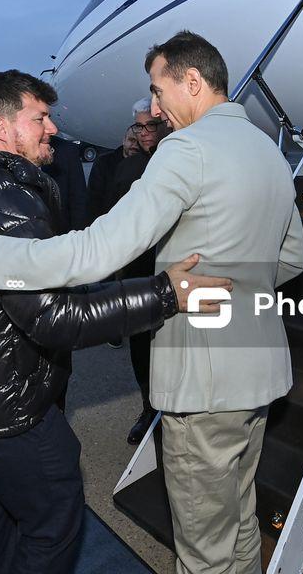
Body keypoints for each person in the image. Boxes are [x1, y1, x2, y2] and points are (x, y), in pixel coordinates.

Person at [0, 32, 303, 574]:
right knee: (240, 523)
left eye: (158, 92)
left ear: (192, 81)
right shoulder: (265, 147)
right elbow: (292, 257)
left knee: (204, 548)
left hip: (203, 381)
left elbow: (100, 249)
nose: (154, 109)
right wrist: (232, 285)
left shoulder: (187, 149)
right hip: (259, 370)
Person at [0, 69, 224, 574]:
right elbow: (56, 318)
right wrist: (166, 293)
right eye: (40, 118)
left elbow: (42, 291)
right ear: (1, 129)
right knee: (55, 519)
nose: (52, 129)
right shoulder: (2, 196)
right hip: (1, 405)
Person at [108, 98, 173, 445]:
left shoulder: (178, 160)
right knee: (141, 347)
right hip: (137, 270)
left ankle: (171, 410)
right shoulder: (125, 168)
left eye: (152, 125)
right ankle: (148, 409)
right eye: (139, 126)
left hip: (174, 269)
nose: (145, 133)